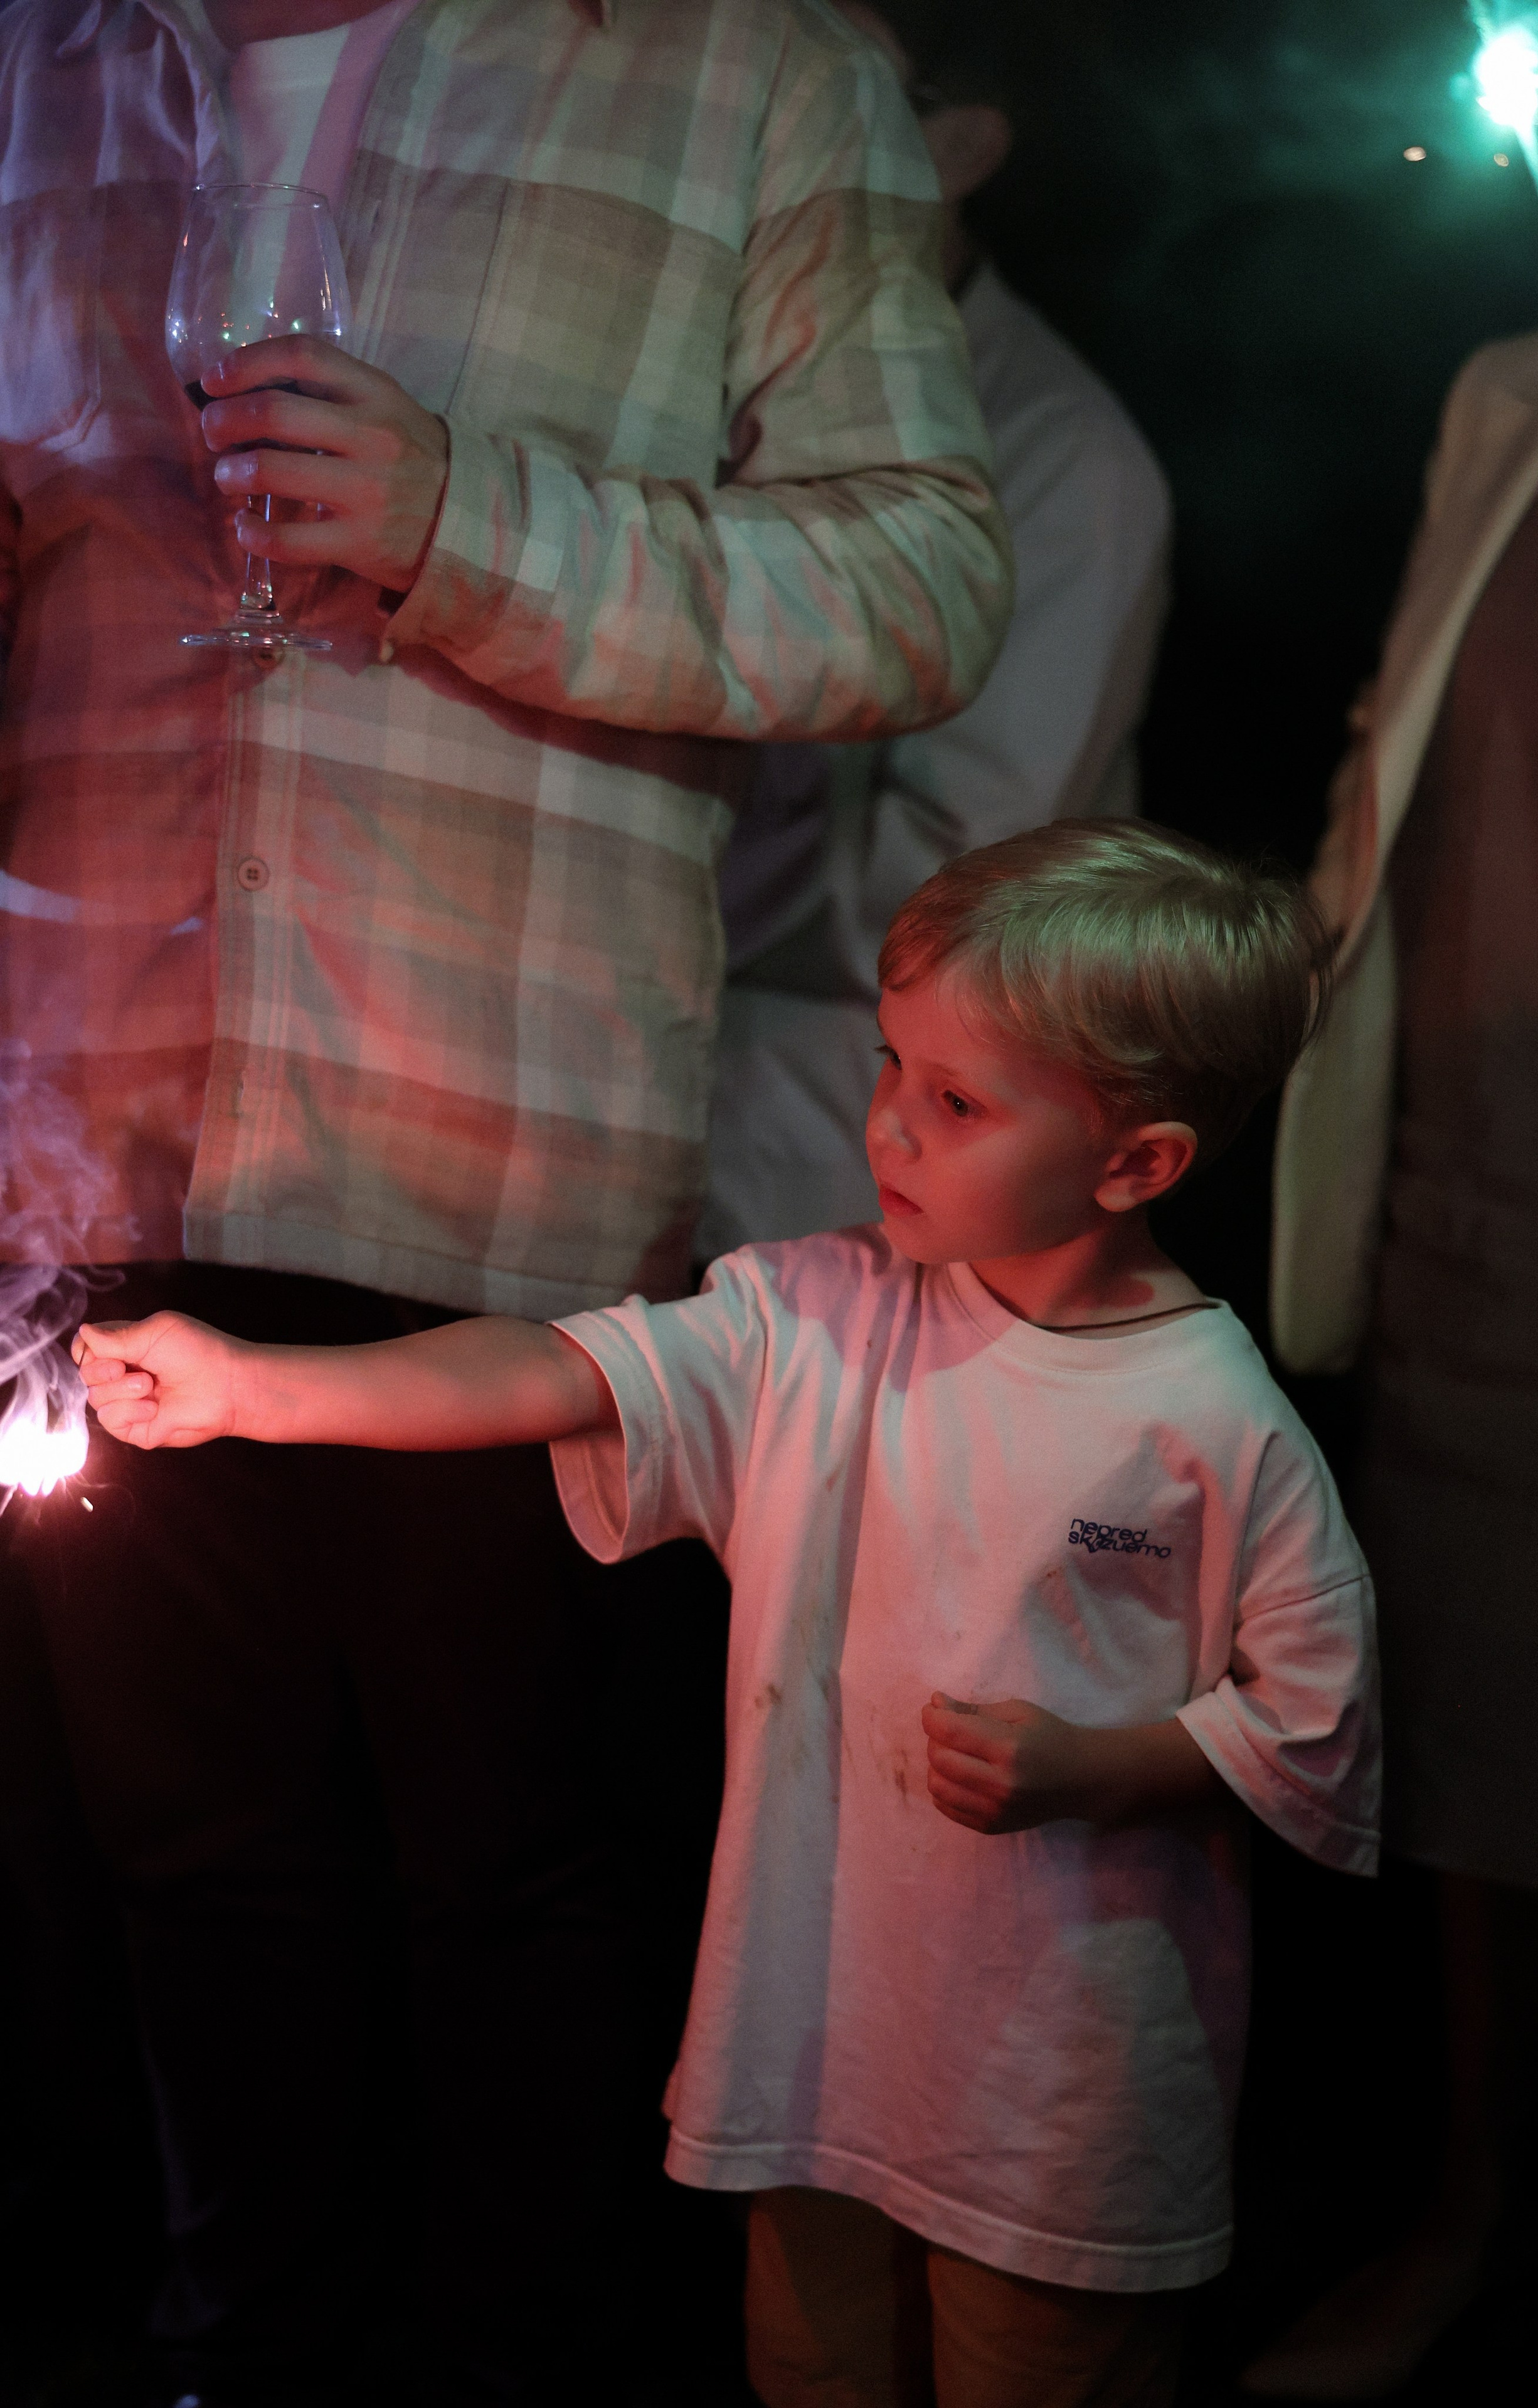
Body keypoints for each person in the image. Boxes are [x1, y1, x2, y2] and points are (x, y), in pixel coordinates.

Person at [0, 1, 1012, 2400]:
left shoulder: (735, 60)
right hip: (77, 1165)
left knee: (514, 1897)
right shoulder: (48, 56)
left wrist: (481, 528)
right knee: (181, 1887)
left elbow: (929, 587)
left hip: (497, 1175)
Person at [77, 820, 1381, 2408]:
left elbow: (1314, 1715)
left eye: (955, 1102)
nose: (887, 1125)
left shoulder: (1207, 1416)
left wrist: (1093, 1768)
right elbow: (560, 1370)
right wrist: (252, 1387)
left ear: (1136, 1162)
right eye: (893, 1064)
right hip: (814, 2050)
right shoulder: (811, 1313)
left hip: (1053, 2110)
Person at [1251, 59, 1538, 2393]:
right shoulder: (1520, 386)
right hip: (1510, 1209)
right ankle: (1481, 2220)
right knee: (1486, 1768)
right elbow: (1395, 781)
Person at [702, 0, 1170, 1252]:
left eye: (837, 88)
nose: (771, 123)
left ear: (963, 149)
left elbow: (956, 887)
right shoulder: (716, 358)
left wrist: (639, 901)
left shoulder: (1064, 459)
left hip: (823, 1161)